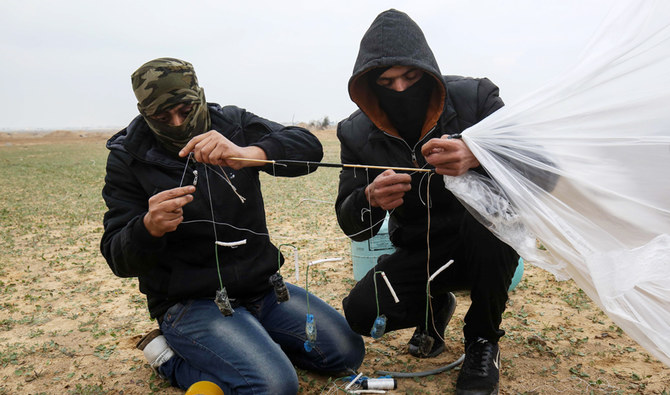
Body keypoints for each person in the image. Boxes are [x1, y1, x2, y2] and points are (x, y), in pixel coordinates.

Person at [100, 57, 365, 394]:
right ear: (143, 112)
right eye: (161, 118)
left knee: (346, 354)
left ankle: (248, 342)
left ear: (199, 95)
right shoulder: (128, 156)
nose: (178, 123)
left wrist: (250, 152)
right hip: (192, 303)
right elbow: (116, 255)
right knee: (275, 387)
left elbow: (309, 148)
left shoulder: (233, 123)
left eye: (184, 109)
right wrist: (148, 227)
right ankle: (169, 359)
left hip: (264, 289)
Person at [335, 10, 519, 395]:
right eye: (386, 82)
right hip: (420, 250)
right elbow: (352, 222)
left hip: (485, 245)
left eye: (411, 76)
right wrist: (370, 198)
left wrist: (477, 154)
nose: (400, 88)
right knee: (360, 314)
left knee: (487, 221)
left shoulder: (477, 99)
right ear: (369, 85)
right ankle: (433, 309)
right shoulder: (355, 131)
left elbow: (540, 170)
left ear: (428, 70)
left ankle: (483, 341)